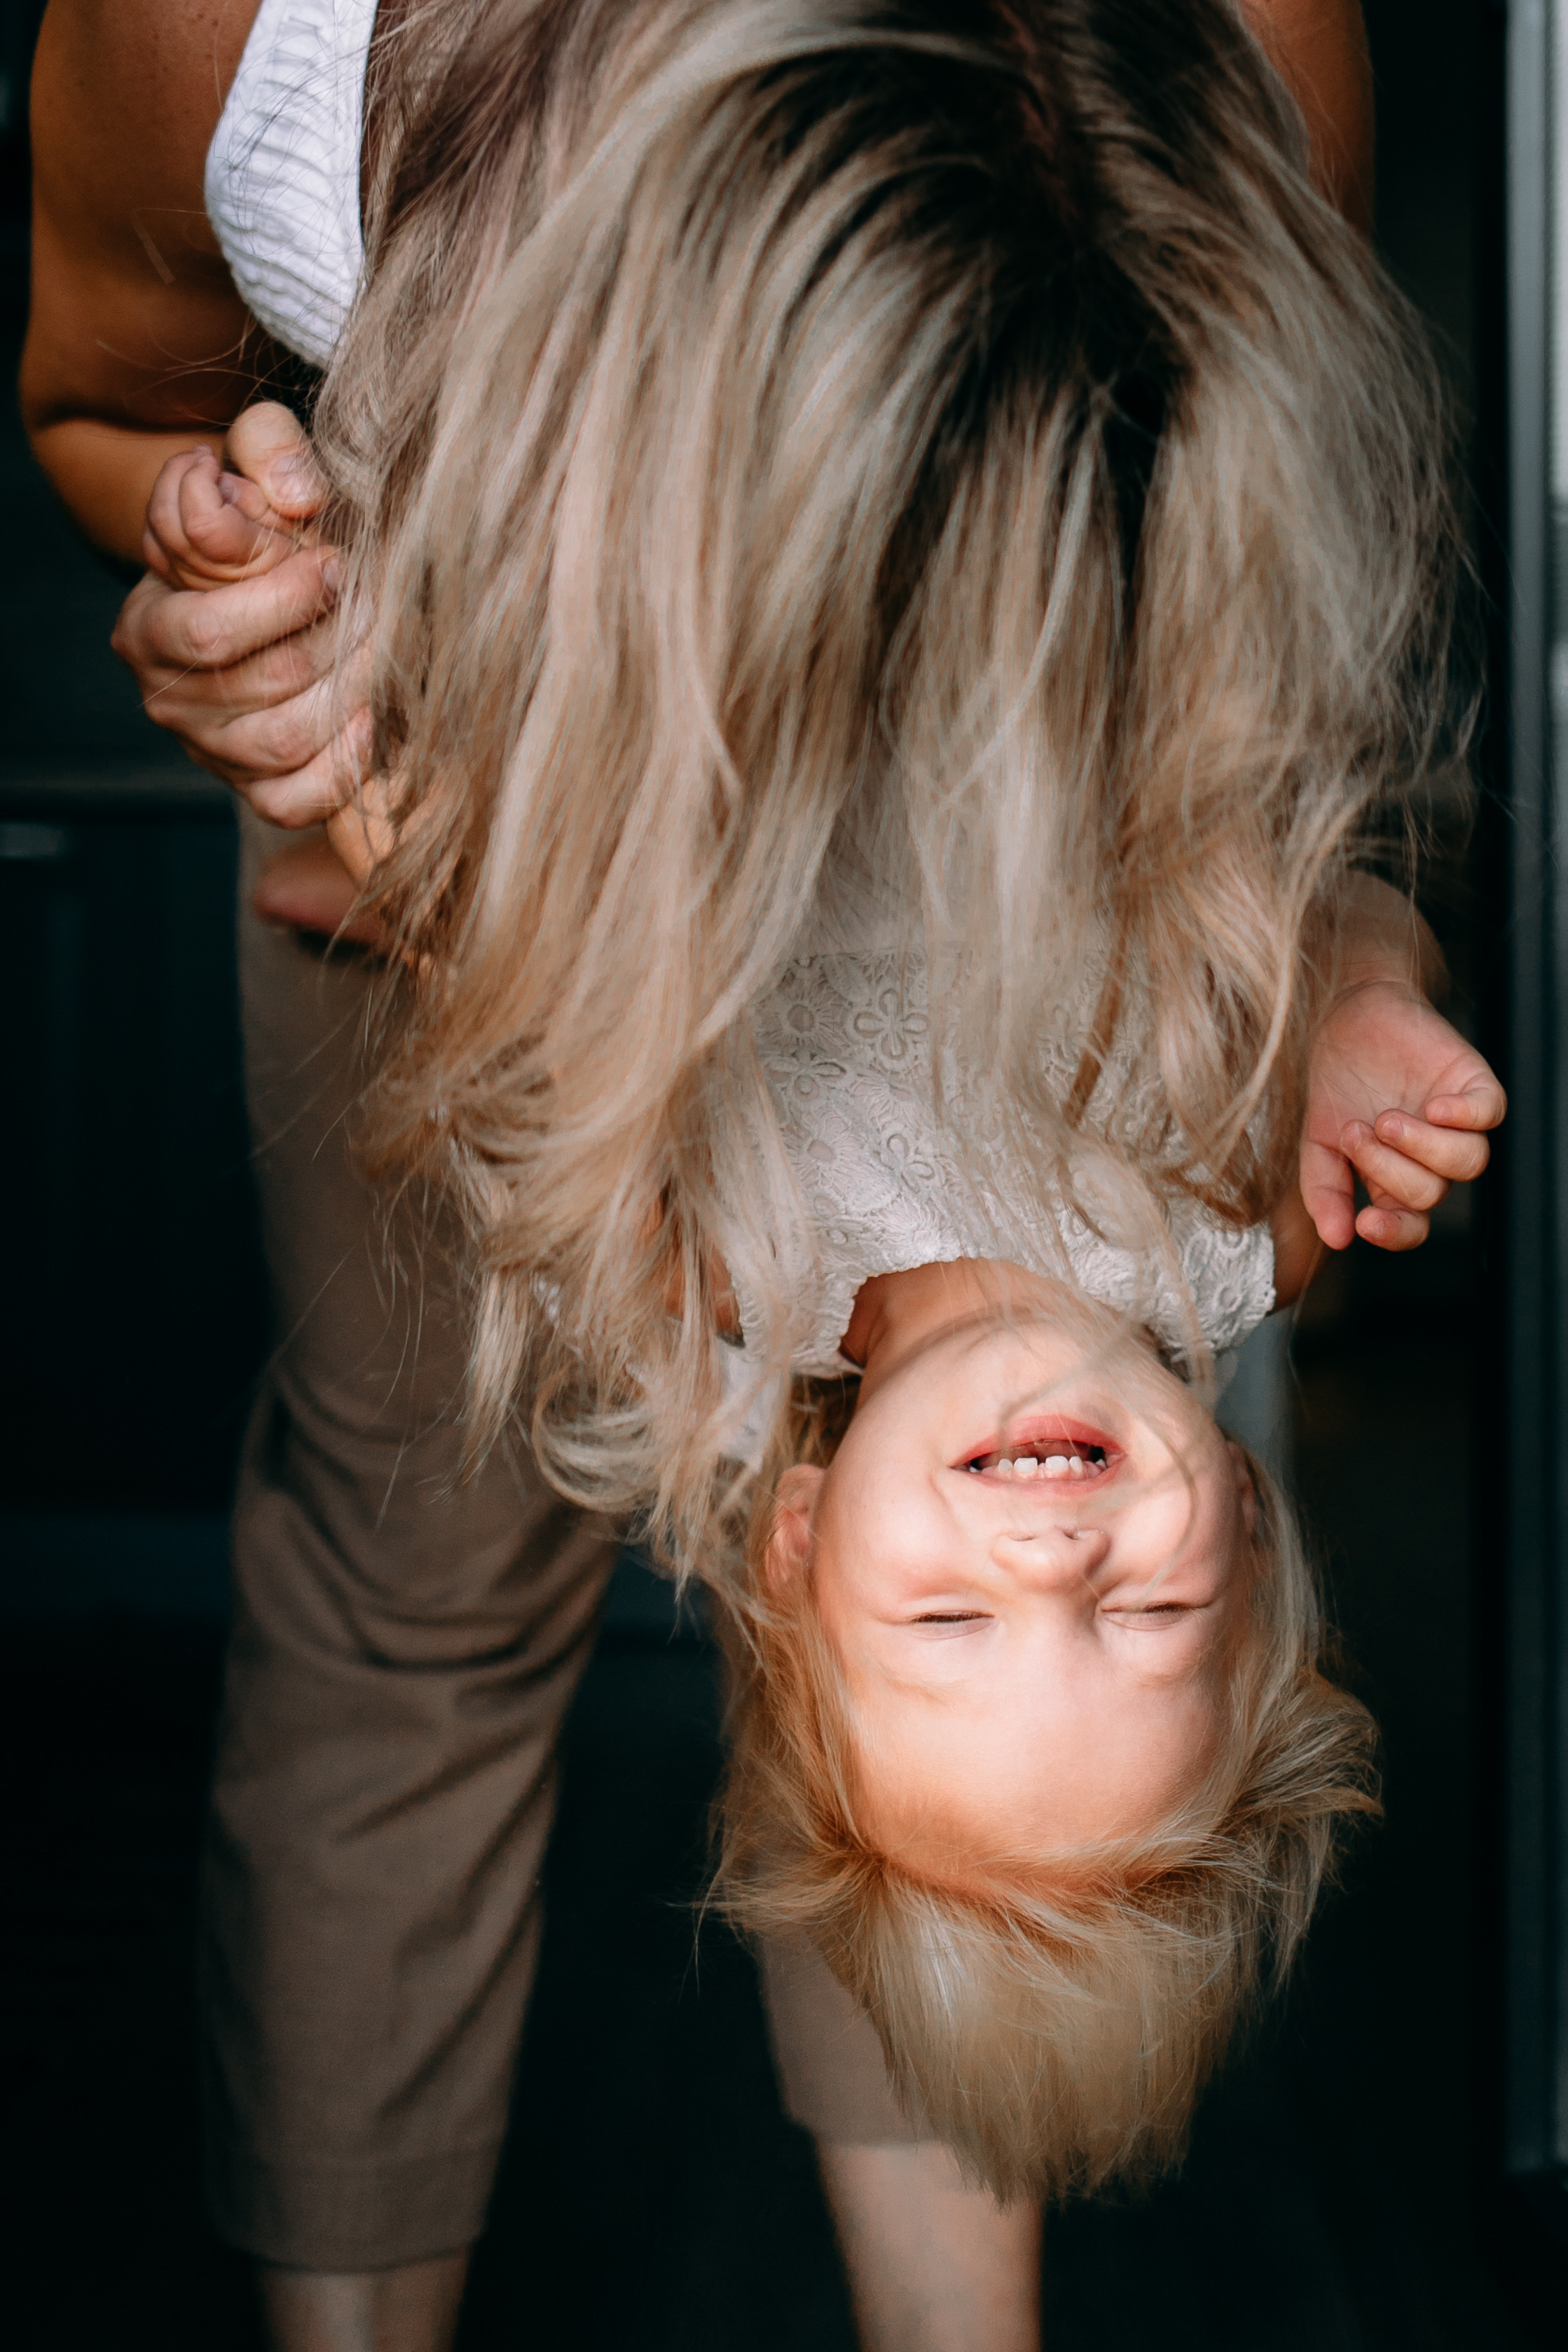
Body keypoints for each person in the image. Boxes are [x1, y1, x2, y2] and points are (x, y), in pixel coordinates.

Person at [21, 3, 1492, 2349]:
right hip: (536, 869)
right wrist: (1362, 1016)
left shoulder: (720, 1285)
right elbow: (105, 410)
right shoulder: (1211, 1231)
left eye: (951, 1621)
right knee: (420, 1595)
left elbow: (477, 1006)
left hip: (510, 955)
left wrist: (336, 735)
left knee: (888, 1789)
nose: (1052, 1561)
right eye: (1134, 1615)